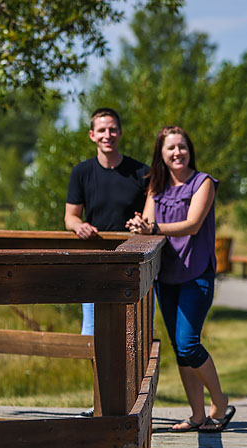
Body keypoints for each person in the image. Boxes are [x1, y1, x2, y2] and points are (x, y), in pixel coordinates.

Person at [126, 126, 234, 433]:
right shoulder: (156, 186)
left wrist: (152, 227)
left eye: (182, 147)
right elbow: (148, 223)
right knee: (179, 349)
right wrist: (140, 224)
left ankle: (220, 401)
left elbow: (192, 225)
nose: (177, 153)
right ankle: (198, 415)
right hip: (165, 275)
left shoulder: (204, 183)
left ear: (190, 150)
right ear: (160, 153)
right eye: (170, 148)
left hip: (196, 273)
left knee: (188, 345)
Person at [65, 107, 150, 336]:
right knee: (92, 334)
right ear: (92, 135)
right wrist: (78, 225)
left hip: (134, 264)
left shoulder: (142, 172)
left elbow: (153, 217)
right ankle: (96, 374)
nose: (107, 135)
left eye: (112, 130)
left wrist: (144, 224)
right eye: (101, 130)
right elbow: (70, 217)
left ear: (120, 133)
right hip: (94, 262)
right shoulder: (81, 172)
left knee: (135, 335)